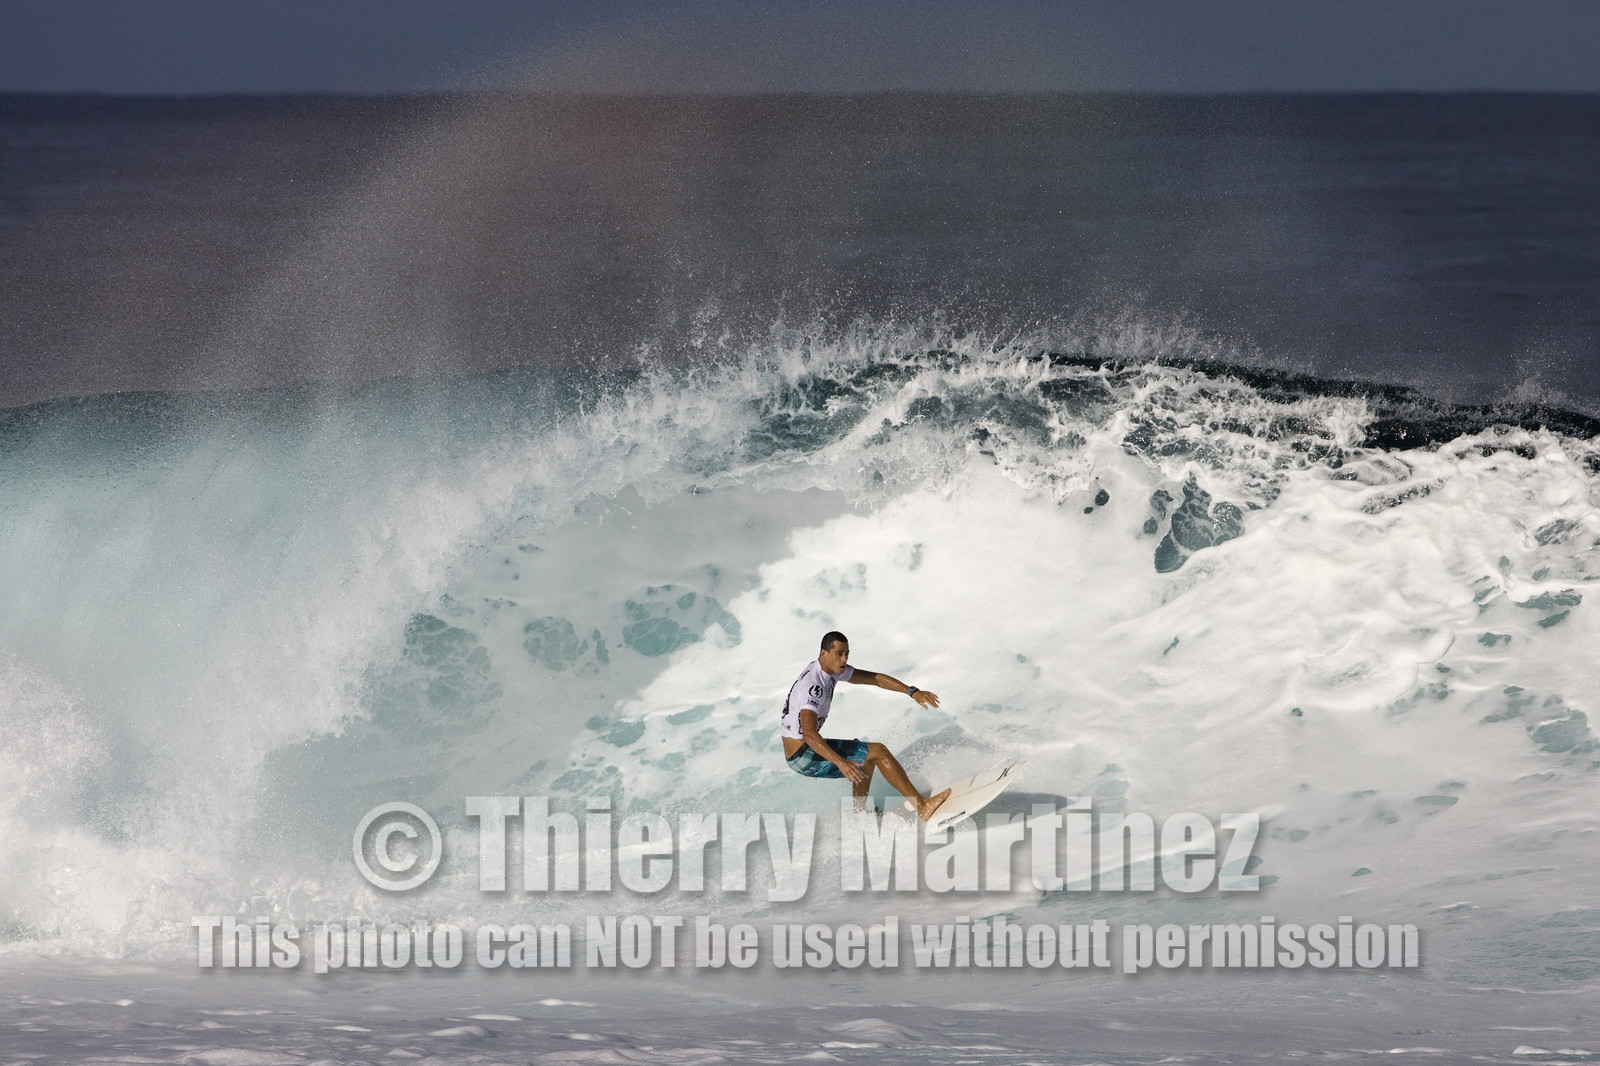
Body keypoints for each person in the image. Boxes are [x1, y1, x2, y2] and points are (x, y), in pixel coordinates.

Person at [781, 630, 950, 820]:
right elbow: (810, 734)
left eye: (847, 654)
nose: (844, 659)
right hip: (803, 753)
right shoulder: (814, 687)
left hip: (801, 751)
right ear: (824, 654)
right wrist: (841, 763)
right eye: (839, 654)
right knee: (879, 752)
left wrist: (911, 691)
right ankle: (922, 806)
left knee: (866, 759)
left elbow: (873, 678)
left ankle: (860, 815)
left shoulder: (830, 670)